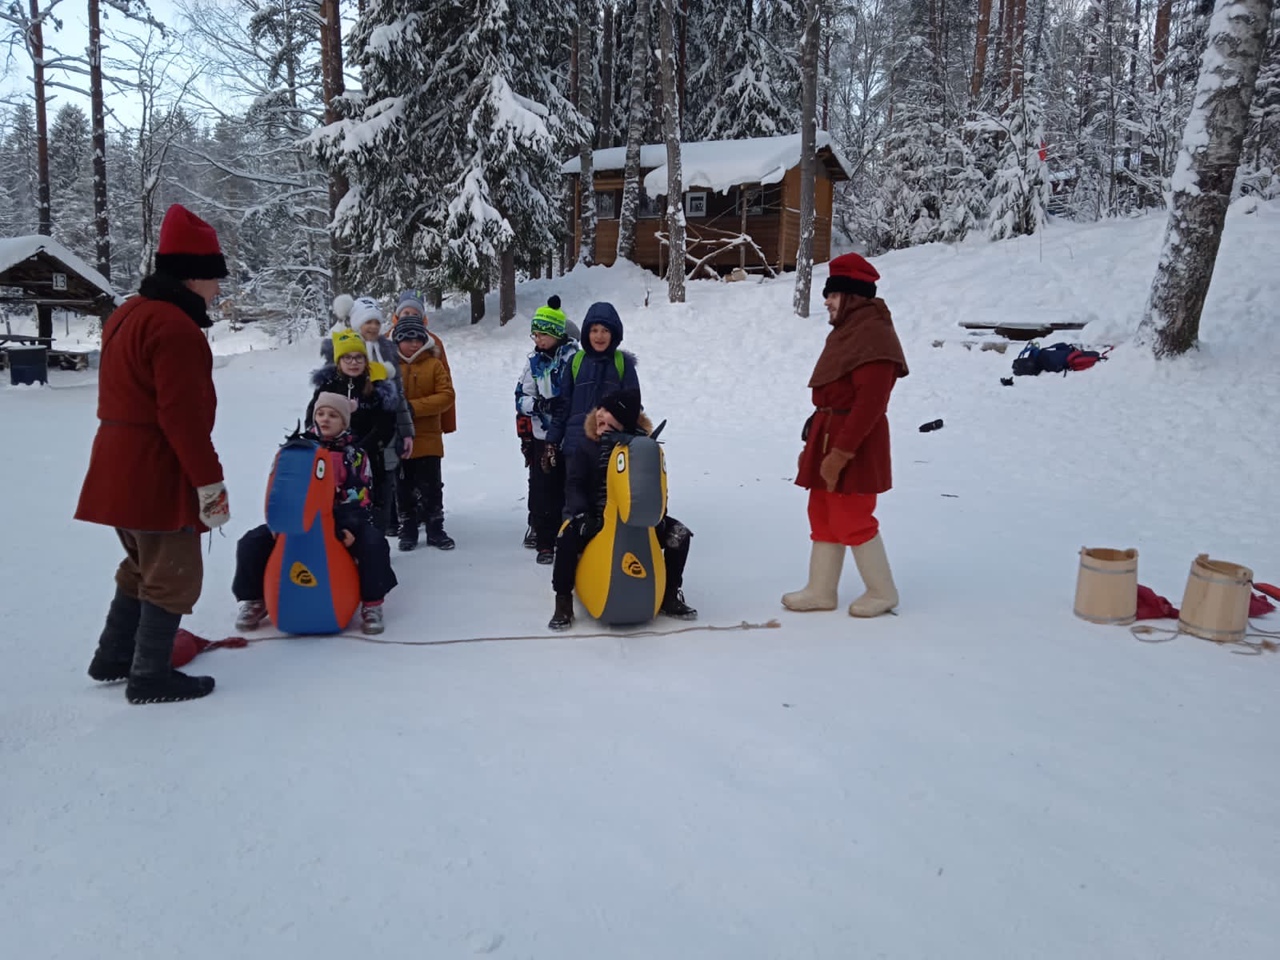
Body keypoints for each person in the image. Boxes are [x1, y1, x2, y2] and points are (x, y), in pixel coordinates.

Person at [78, 203, 231, 705]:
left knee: (141, 563)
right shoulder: (175, 328)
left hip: (116, 466)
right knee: (173, 572)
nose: (217, 289)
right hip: (157, 472)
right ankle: (149, 676)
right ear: (192, 277)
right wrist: (210, 485)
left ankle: (114, 655)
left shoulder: (129, 313)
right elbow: (182, 420)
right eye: (214, 279)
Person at [782, 252, 909, 618]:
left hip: (855, 444)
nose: (827, 301)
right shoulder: (848, 332)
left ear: (853, 297)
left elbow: (870, 406)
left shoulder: (874, 336)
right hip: (827, 436)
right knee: (822, 512)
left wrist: (840, 454)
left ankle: (882, 591)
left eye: (834, 294)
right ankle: (821, 590)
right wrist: (813, 444)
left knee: (852, 515)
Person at [233, 394, 398, 635]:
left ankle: (372, 603)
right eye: (320, 414)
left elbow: (359, 496)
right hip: (297, 516)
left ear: (344, 422)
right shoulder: (298, 449)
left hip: (341, 518)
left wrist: (348, 527)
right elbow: (282, 486)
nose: (325, 419)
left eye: (333, 415)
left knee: (373, 544)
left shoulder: (354, 454)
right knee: (251, 542)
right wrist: (278, 522)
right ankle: (255, 599)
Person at [549, 388, 696, 630]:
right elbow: (574, 484)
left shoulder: (642, 449)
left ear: (623, 421)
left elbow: (657, 485)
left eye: (608, 412)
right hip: (595, 516)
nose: (600, 414)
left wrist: (658, 515)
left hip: (637, 518)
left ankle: (670, 594)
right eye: (600, 409)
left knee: (679, 535)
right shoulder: (587, 446)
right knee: (567, 536)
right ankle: (563, 600)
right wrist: (583, 514)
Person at [307, 328, 409, 535]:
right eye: (347, 357)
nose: (353, 363)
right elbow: (314, 418)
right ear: (339, 361)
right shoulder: (328, 386)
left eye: (358, 358)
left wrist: (360, 448)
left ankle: (375, 542)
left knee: (376, 511)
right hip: (332, 459)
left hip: (372, 458)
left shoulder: (378, 387)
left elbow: (386, 424)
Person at [515, 297, 578, 564]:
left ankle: (569, 537)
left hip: (570, 436)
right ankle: (544, 541)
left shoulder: (574, 359)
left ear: (556, 334)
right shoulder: (534, 363)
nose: (537, 339)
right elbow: (520, 397)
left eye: (542, 334)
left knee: (569, 488)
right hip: (542, 436)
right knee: (543, 489)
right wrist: (539, 405)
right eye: (535, 335)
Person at [393, 311, 457, 551]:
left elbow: (446, 395)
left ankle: (435, 528)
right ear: (397, 340)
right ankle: (408, 529)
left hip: (429, 439)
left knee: (432, 487)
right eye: (408, 339)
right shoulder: (389, 368)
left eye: (418, 339)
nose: (413, 344)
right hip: (400, 441)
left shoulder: (434, 364)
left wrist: (413, 408)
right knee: (404, 488)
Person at [559, 301, 639, 459]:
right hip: (575, 447)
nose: (599, 336)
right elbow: (562, 406)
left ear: (614, 333)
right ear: (587, 333)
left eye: (605, 330)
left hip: (611, 448)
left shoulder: (623, 364)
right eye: (594, 330)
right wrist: (552, 441)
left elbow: (633, 406)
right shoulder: (576, 362)